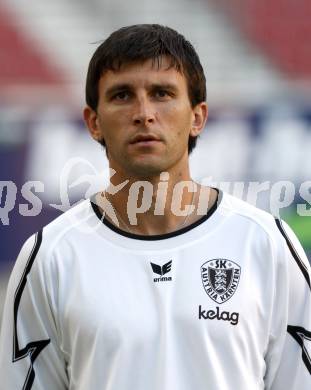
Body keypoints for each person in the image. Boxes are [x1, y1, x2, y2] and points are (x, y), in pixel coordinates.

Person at [0, 24, 310, 390]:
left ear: (198, 116)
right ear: (93, 122)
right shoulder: (50, 256)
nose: (144, 113)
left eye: (162, 93)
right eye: (122, 95)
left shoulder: (266, 245)